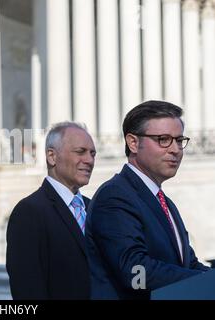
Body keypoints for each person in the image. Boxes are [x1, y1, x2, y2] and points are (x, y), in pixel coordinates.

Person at [86, 100, 210, 300]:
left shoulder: (165, 202)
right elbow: (135, 271)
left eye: (179, 140)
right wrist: (202, 282)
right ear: (133, 143)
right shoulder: (115, 196)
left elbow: (188, 264)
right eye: (163, 139)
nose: (175, 149)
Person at [6, 122, 96, 299]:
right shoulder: (29, 212)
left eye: (92, 153)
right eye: (80, 152)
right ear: (52, 156)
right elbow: (28, 289)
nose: (89, 160)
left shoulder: (94, 208)